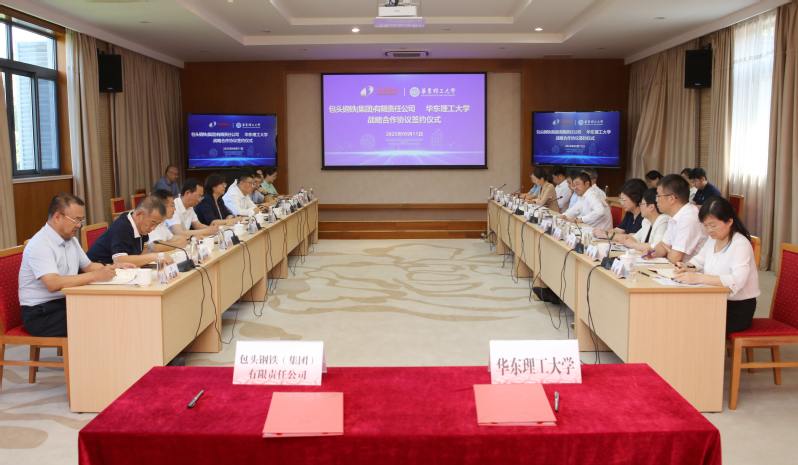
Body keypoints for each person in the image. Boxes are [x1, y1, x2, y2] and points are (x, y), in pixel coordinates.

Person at [18, 194, 135, 337]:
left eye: (81, 221)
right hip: (41, 313)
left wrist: (113, 267)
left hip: (66, 302)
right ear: (57, 217)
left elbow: (88, 266)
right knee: (100, 321)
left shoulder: (70, 240)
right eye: (76, 220)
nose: (79, 225)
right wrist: (95, 276)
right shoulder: (40, 244)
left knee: (110, 310)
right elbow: (52, 283)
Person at [673, 197, 760, 334]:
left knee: (692, 324)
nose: (709, 230)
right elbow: (699, 261)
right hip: (715, 300)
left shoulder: (740, 244)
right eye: (705, 225)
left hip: (736, 309)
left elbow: (737, 280)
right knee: (680, 313)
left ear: (729, 221)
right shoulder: (713, 239)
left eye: (713, 226)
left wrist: (698, 278)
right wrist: (686, 267)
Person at [87, 196, 175, 267]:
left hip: (119, 272)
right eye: (152, 223)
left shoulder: (142, 227)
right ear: (139, 214)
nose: (153, 228)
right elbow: (119, 260)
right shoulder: (122, 228)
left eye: (157, 224)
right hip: (97, 272)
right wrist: (152, 257)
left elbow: (144, 248)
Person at [646, 174, 708, 263]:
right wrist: (653, 252)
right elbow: (663, 245)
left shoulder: (689, 218)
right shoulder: (675, 216)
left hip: (693, 270)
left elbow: (675, 258)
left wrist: (669, 252)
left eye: (658, 196)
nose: (656, 200)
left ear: (671, 198)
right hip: (679, 268)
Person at [612, 188, 670, 252]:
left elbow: (657, 246)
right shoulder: (646, 221)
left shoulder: (664, 220)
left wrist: (633, 244)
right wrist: (626, 239)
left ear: (651, 207)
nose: (640, 207)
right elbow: (635, 237)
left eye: (642, 204)